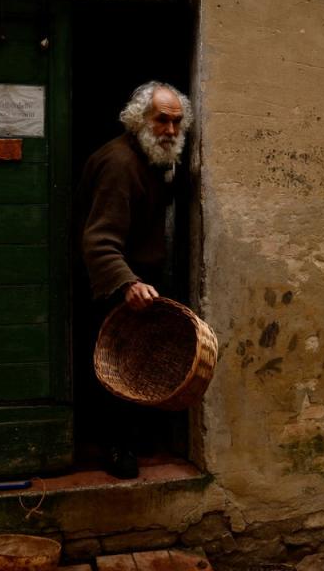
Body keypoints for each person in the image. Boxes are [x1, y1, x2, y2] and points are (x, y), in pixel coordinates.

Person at [76, 81, 193, 478]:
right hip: (117, 281)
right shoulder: (119, 163)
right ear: (138, 121)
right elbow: (99, 238)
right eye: (162, 121)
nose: (171, 132)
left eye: (177, 123)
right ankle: (115, 447)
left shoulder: (153, 160)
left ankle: (134, 439)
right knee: (115, 368)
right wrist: (127, 283)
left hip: (142, 279)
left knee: (138, 365)